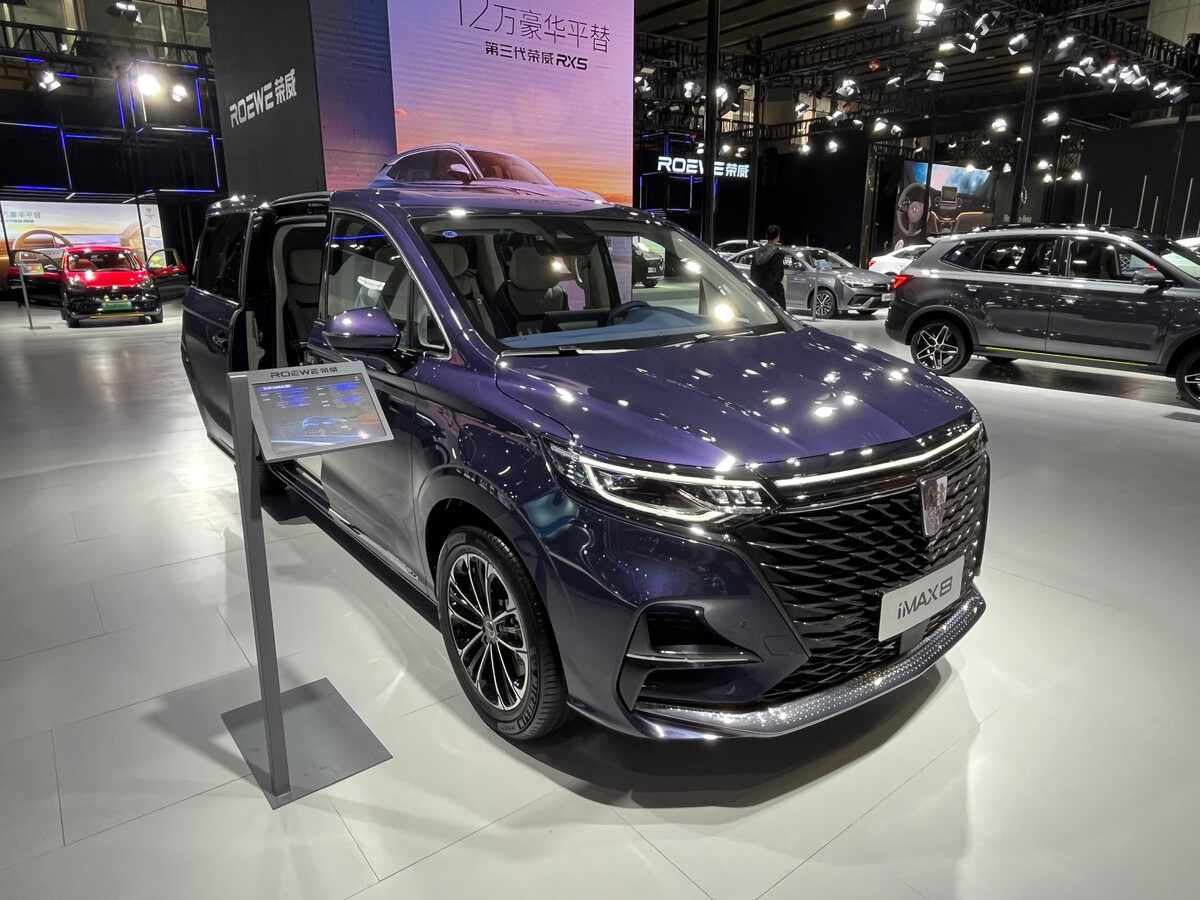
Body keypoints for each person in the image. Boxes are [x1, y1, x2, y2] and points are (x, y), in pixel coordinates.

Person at [749, 224, 786, 308]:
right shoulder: (777, 254)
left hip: (758, 293)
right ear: (778, 237)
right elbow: (777, 275)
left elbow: (753, 273)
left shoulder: (757, 252)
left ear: (767, 236)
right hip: (774, 295)